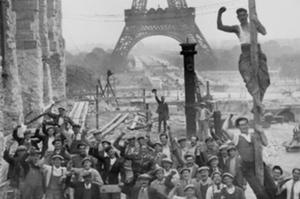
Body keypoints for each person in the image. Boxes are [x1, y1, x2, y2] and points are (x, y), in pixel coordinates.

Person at [217, 7, 269, 113]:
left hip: (258, 51)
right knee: (248, 77)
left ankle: (257, 104)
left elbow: (264, 32)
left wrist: (256, 20)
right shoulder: (237, 28)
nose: (242, 17)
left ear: (247, 15)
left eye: (244, 15)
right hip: (245, 53)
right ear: (238, 18)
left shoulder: (253, 25)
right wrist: (219, 14)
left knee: (264, 80)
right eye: (240, 16)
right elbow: (220, 27)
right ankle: (259, 104)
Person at [223, 115, 277, 199]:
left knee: (272, 188)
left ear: (248, 125)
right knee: (259, 191)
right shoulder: (237, 138)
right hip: (248, 168)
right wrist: (228, 117)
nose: (244, 126)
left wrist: (261, 131)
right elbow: (224, 129)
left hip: (260, 164)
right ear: (238, 127)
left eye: (245, 124)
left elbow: (265, 143)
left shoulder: (255, 135)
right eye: (241, 125)